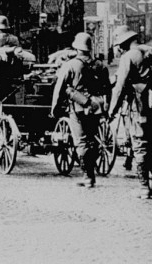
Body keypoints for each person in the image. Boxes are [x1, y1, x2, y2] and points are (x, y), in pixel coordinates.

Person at [108, 27, 152, 198]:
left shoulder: (128, 57)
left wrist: (112, 110)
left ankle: (144, 187)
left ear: (124, 43)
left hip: (138, 106)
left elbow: (119, 87)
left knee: (140, 145)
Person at [51, 32, 110, 188]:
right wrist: (105, 108)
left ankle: (88, 176)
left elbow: (59, 89)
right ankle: (91, 172)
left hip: (78, 107)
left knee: (81, 141)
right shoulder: (100, 66)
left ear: (76, 48)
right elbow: (107, 88)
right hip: (96, 107)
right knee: (93, 139)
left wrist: (54, 109)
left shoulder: (70, 65)